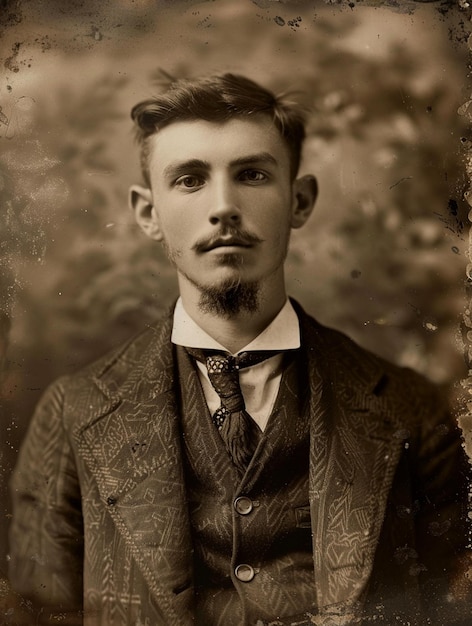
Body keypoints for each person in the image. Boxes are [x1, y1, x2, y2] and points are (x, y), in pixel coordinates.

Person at [8, 73, 470, 626]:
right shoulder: (71, 410)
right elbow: (38, 614)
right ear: (148, 213)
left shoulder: (410, 408)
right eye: (189, 180)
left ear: (299, 200)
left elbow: (451, 607)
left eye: (252, 174)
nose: (224, 207)